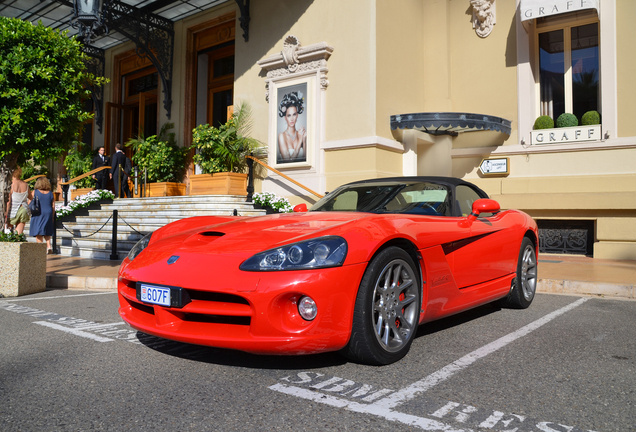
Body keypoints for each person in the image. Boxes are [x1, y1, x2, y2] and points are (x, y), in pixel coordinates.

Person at [278, 91, 307, 163]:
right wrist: (300, 140)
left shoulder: (301, 134)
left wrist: (304, 141)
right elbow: (287, 160)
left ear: (297, 115)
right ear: (285, 117)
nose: (292, 119)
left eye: (294, 114)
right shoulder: (282, 136)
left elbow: (305, 159)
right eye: (289, 115)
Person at [29, 177, 55, 253]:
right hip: (48, 212)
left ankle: (40, 249)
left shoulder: (35, 192)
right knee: (46, 230)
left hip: (38, 213)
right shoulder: (50, 193)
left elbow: (29, 202)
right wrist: (52, 215)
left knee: (38, 231)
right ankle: (49, 246)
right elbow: (53, 205)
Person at [4, 166, 32, 235]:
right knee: (18, 234)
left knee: (8, 232)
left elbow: (9, 201)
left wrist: (5, 214)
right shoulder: (26, 184)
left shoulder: (11, 184)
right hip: (24, 209)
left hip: (12, 210)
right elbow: (31, 197)